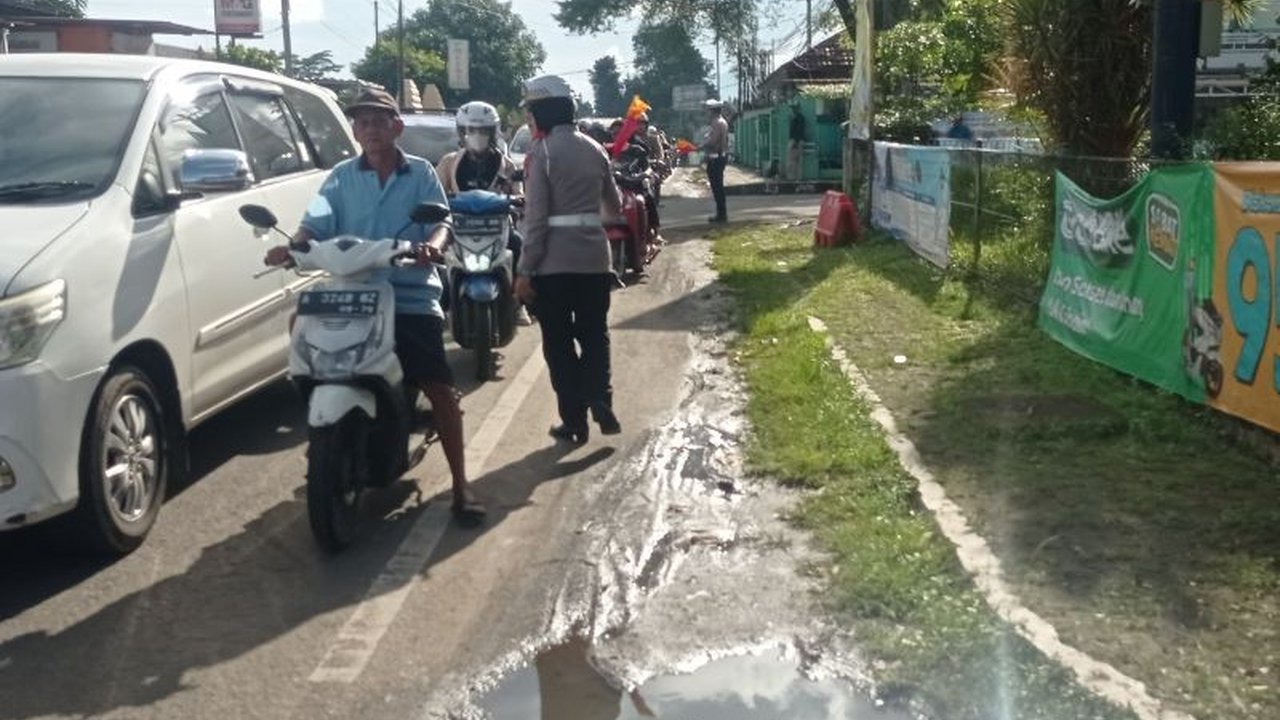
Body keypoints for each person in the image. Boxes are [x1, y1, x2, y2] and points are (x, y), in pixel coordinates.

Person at [263, 88, 485, 524]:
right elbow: (314, 223)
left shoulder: (420, 173)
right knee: (299, 324)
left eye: (379, 120)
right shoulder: (340, 177)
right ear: (355, 130)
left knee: (438, 386)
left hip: (408, 296)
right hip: (350, 293)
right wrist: (294, 247)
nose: (371, 129)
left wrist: (432, 248)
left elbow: (441, 222)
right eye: (363, 122)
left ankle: (462, 487)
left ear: (396, 126)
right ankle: (327, 430)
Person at [514, 74, 623, 445]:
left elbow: (536, 220)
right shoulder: (596, 149)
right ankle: (600, 396)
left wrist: (525, 270)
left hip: (553, 267)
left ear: (543, 111)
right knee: (595, 334)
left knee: (558, 344)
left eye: (531, 111)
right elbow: (615, 206)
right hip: (595, 259)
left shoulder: (540, 154)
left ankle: (574, 420)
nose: (529, 118)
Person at [435, 100, 532, 325]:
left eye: (482, 130)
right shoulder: (450, 162)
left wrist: (518, 201)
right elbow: (436, 191)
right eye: (470, 130)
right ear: (461, 132)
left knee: (518, 244)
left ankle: (518, 303)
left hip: (498, 227)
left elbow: (517, 193)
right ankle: (442, 306)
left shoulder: (505, 165)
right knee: (438, 256)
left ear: (492, 132)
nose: (476, 135)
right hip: (458, 228)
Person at [702, 99, 730, 223]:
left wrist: (702, 144)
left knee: (717, 187)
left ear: (713, 111)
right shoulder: (722, 122)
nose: (707, 113)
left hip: (716, 157)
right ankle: (721, 214)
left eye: (708, 110)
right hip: (719, 156)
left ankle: (721, 215)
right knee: (718, 186)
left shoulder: (717, 123)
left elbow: (713, 141)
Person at [787, 103, 806, 180]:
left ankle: (795, 178)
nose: (793, 110)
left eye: (794, 109)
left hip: (796, 140)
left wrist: (795, 141)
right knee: (796, 161)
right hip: (797, 140)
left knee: (794, 161)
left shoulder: (798, 118)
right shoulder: (796, 118)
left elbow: (798, 130)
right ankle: (796, 178)